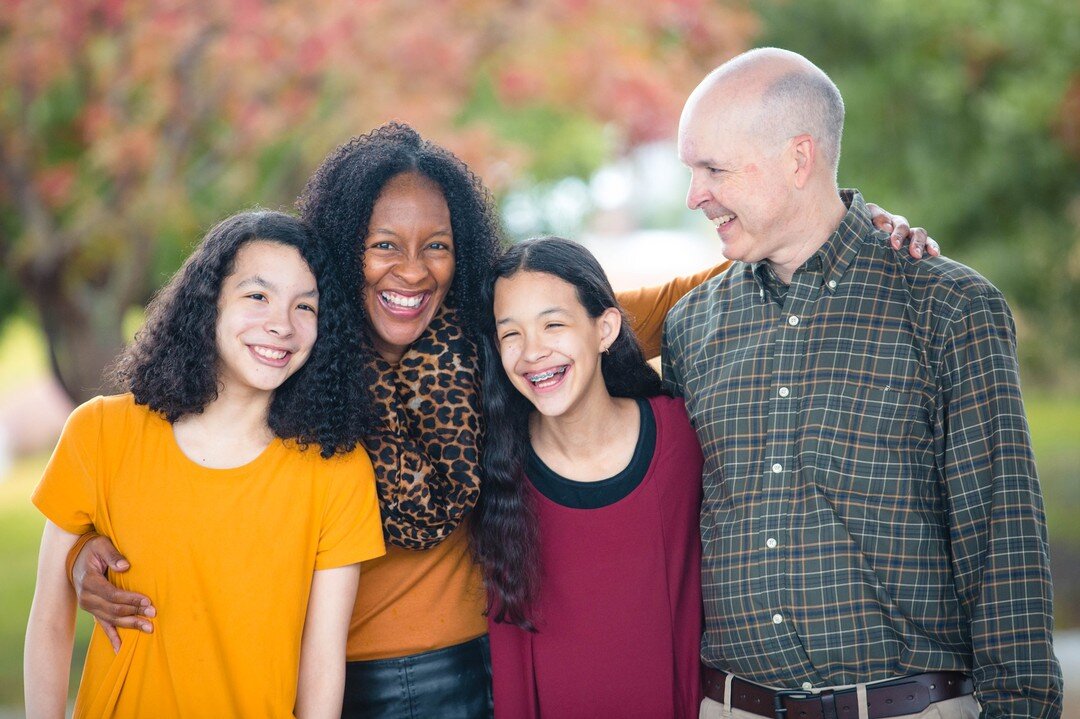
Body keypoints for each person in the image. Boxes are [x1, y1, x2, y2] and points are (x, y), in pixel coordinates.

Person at [65, 123, 932, 717]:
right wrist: (81, 551)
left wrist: (845, 222)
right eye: (383, 243)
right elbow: (181, 463)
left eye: (436, 243)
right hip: (318, 679)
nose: (412, 268)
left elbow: (672, 297)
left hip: (466, 674)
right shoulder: (289, 349)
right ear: (341, 245)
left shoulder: (499, 333)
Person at [663, 48, 1063, 719]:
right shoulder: (689, 325)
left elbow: (1004, 543)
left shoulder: (947, 307)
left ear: (799, 158)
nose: (694, 194)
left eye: (713, 168)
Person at [23, 211, 386, 718]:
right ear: (208, 303)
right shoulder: (101, 432)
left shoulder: (335, 469)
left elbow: (321, 660)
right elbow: (49, 617)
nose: (282, 323)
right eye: (257, 296)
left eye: (306, 306)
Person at [473, 237, 704, 718]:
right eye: (510, 333)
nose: (532, 352)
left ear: (605, 329)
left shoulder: (684, 436)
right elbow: (510, 659)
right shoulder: (496, 468)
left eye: (553, 324)